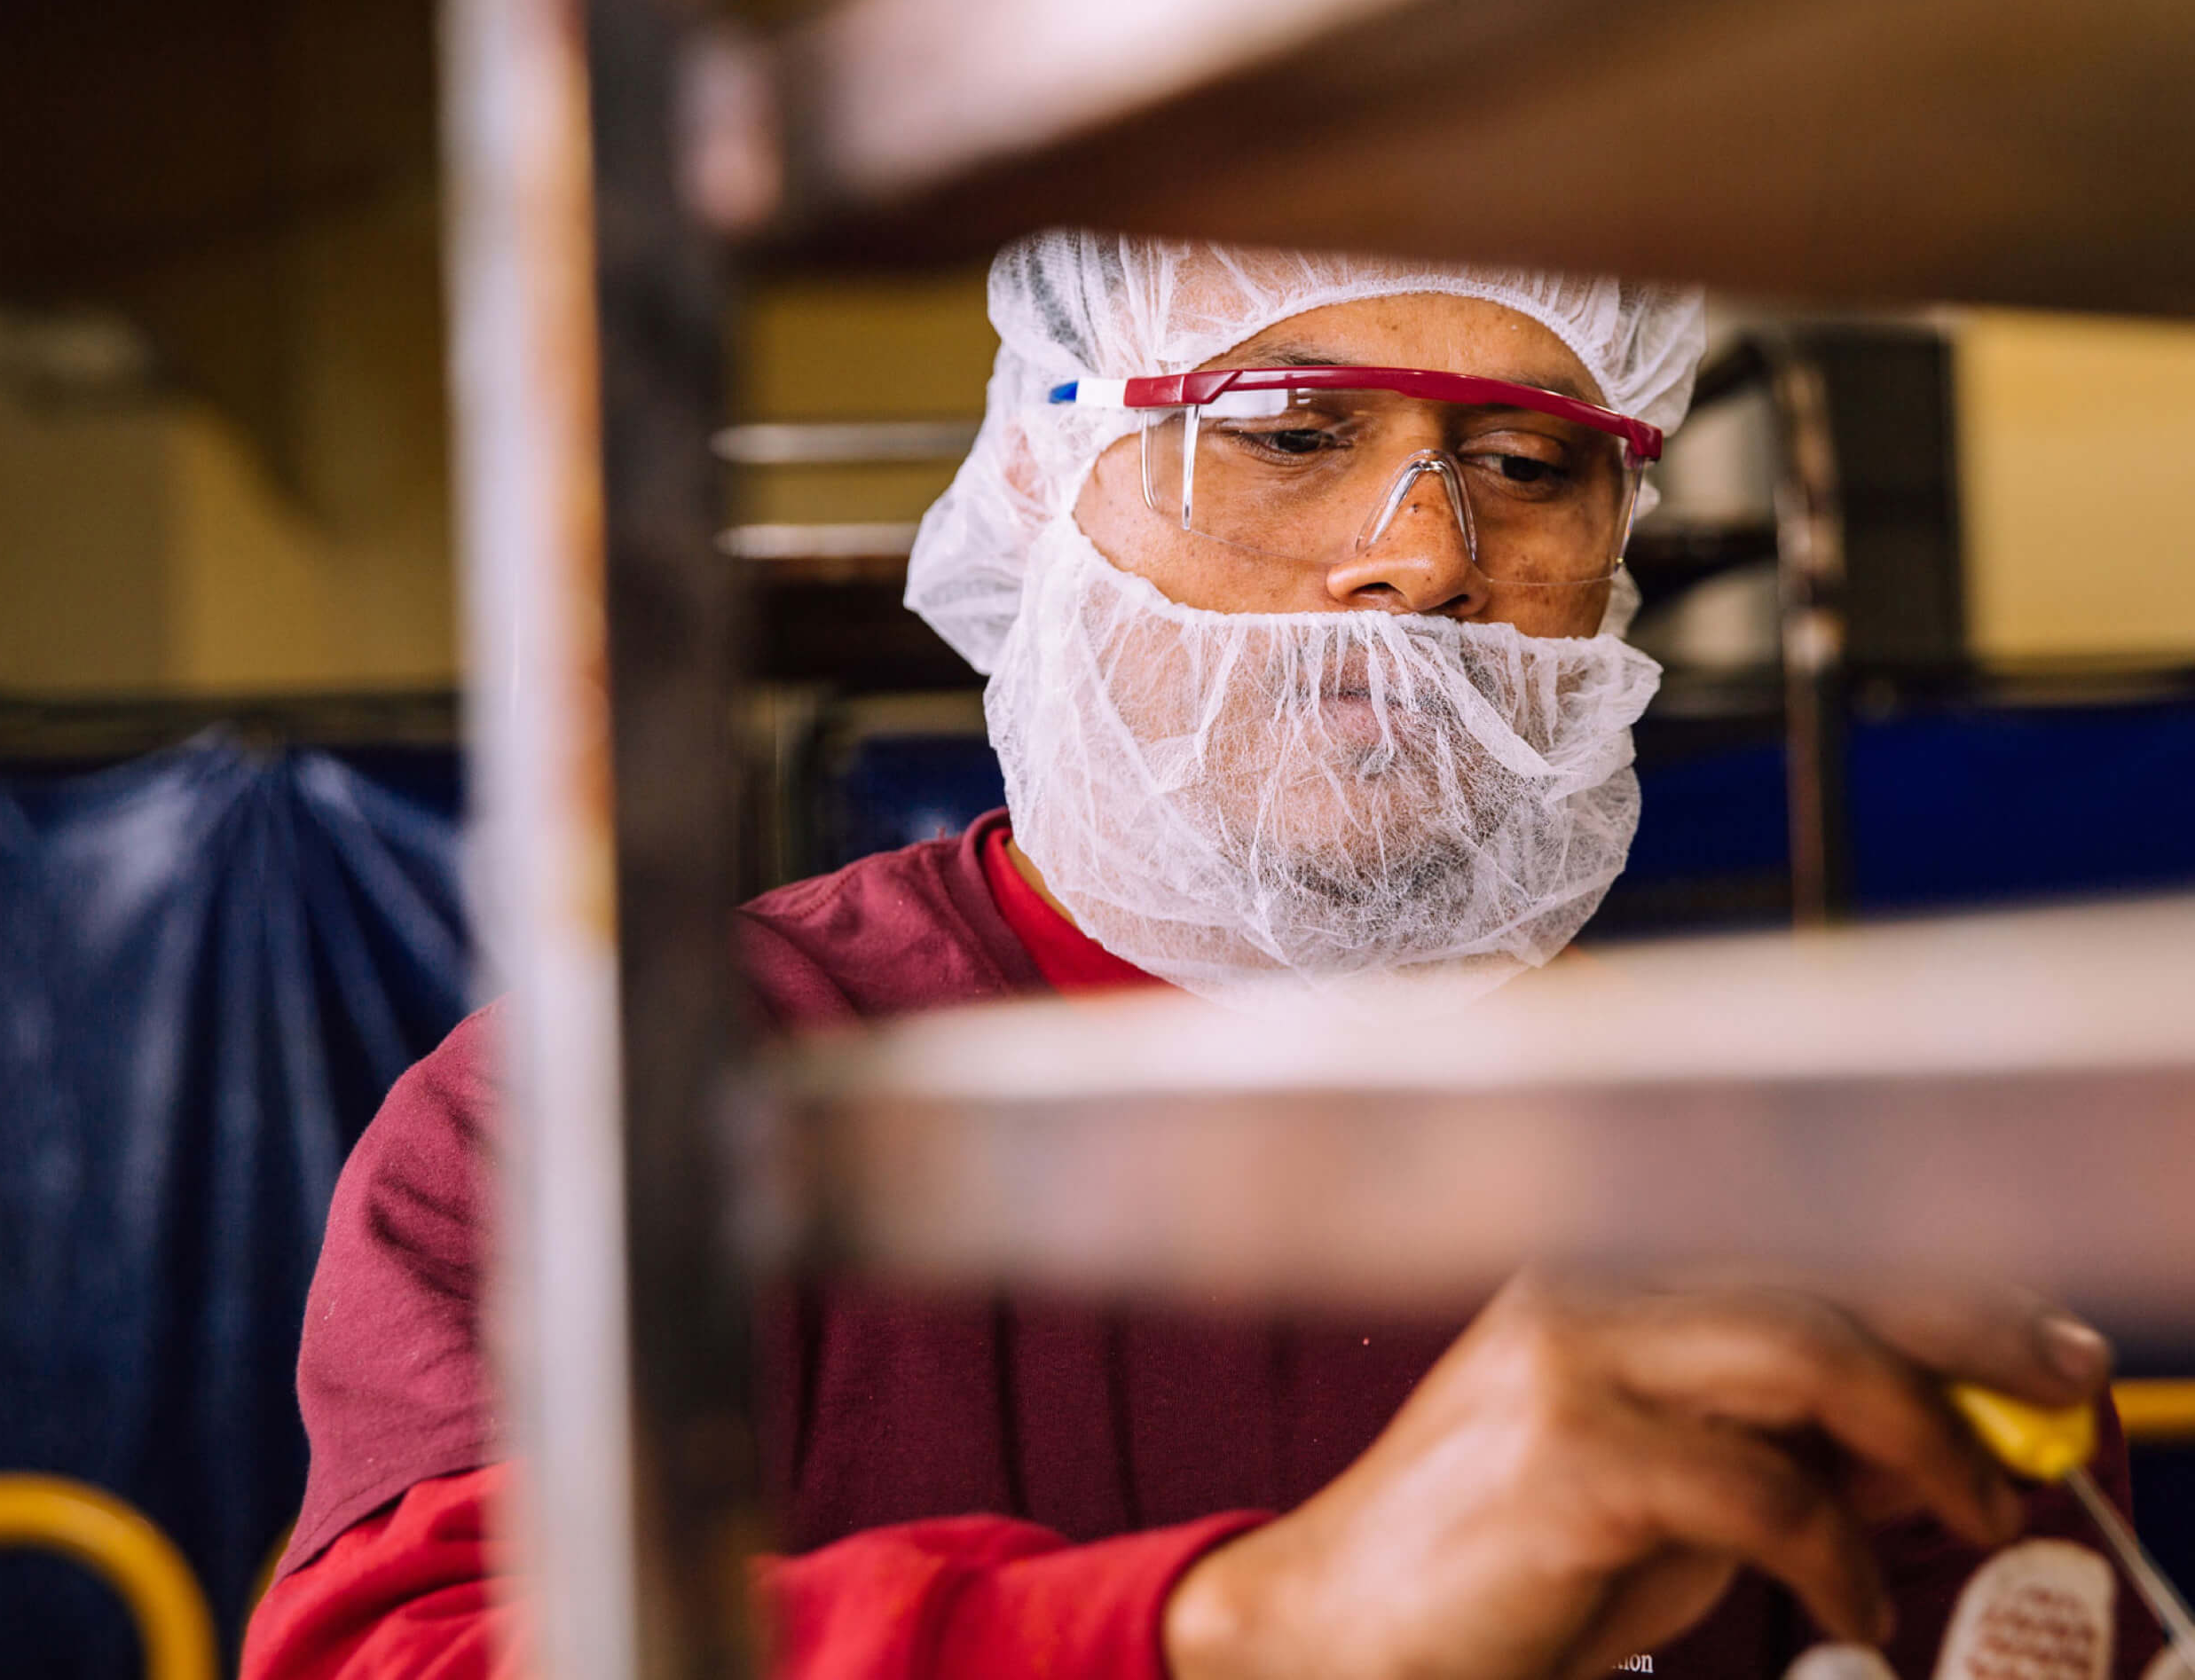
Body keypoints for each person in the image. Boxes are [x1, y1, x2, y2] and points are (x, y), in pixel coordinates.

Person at [242, 233, 2155, 1680]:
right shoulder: (623, 1112)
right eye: (1289, 433)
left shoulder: (1791, 1156)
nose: (1420, 554)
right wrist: (1265, 1619)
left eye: (1530, 460)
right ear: (1036, 494)